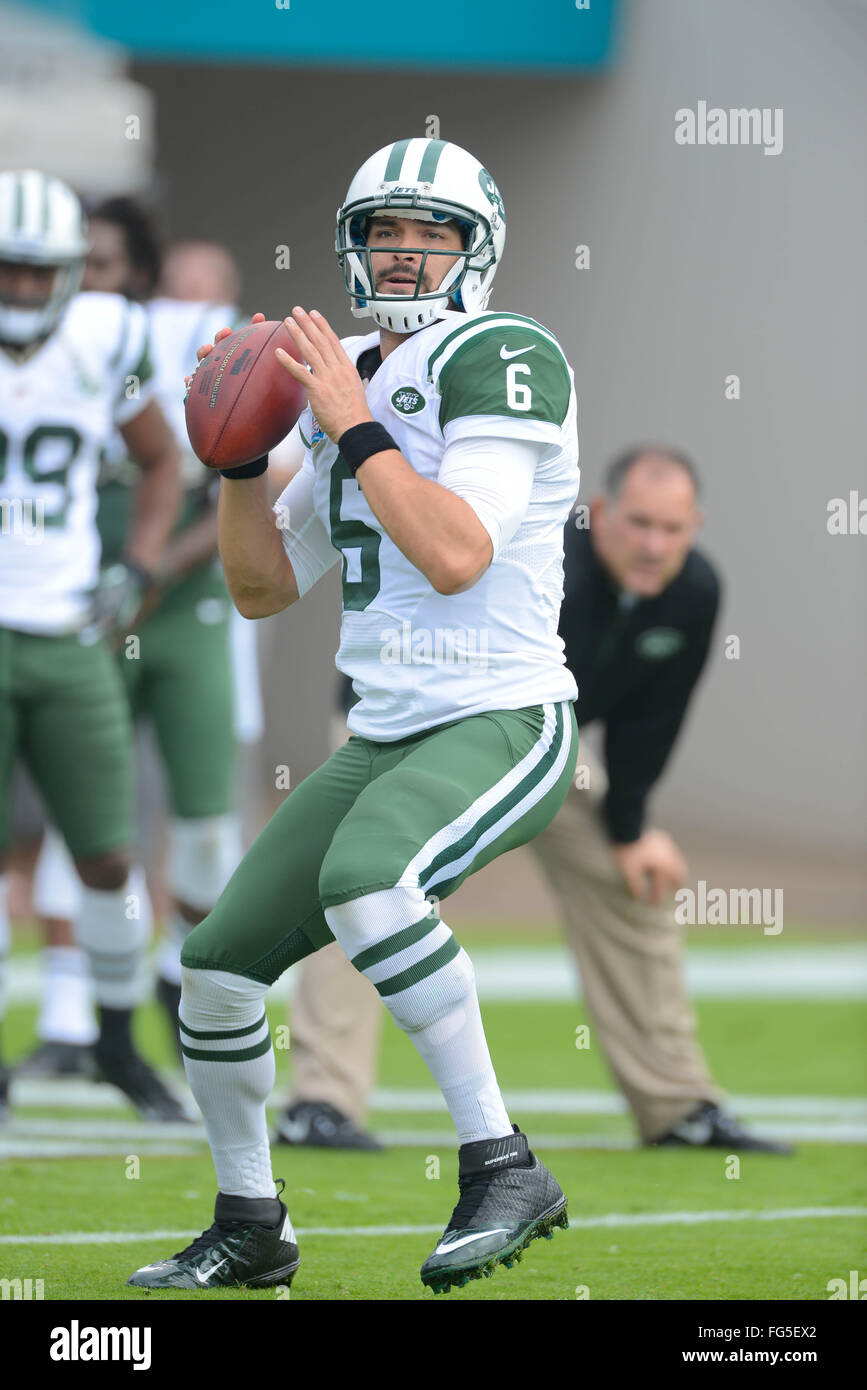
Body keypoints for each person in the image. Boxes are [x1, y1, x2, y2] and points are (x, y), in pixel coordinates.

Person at [128, 136, 580, 1295]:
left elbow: (457, 550)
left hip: (502, 714)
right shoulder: (348, 388)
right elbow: (262, 587)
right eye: (385, 228)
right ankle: (251, 1223)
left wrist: (350, 415)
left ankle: (501, 1160)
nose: (404, 250)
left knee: (372, 883)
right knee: (220, 967)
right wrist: (236, 465)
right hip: (384, 731)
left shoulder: (504, 351)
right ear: (352, 241)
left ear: (477, 251)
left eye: (431, 230)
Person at [531, 448, 792, 1153]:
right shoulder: (543, 556)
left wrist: (629, 828)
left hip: (550, 744)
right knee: (367, 889)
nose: (653, 545)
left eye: (671, 529)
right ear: (601, 513)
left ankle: (679, 1108)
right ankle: (321, 1101)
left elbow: (651, 719)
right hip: (431, 722)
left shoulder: (694, 591)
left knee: (637, 882)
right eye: (638, 522)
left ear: (694, 526)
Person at [0, 170, 184, 1121]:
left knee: (109, 855)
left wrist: (141, 564)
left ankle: (114, 1042)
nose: (27, 292)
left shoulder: (108, 331)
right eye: (11, 272)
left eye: (43, 274)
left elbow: (162, 457)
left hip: (69, 629)